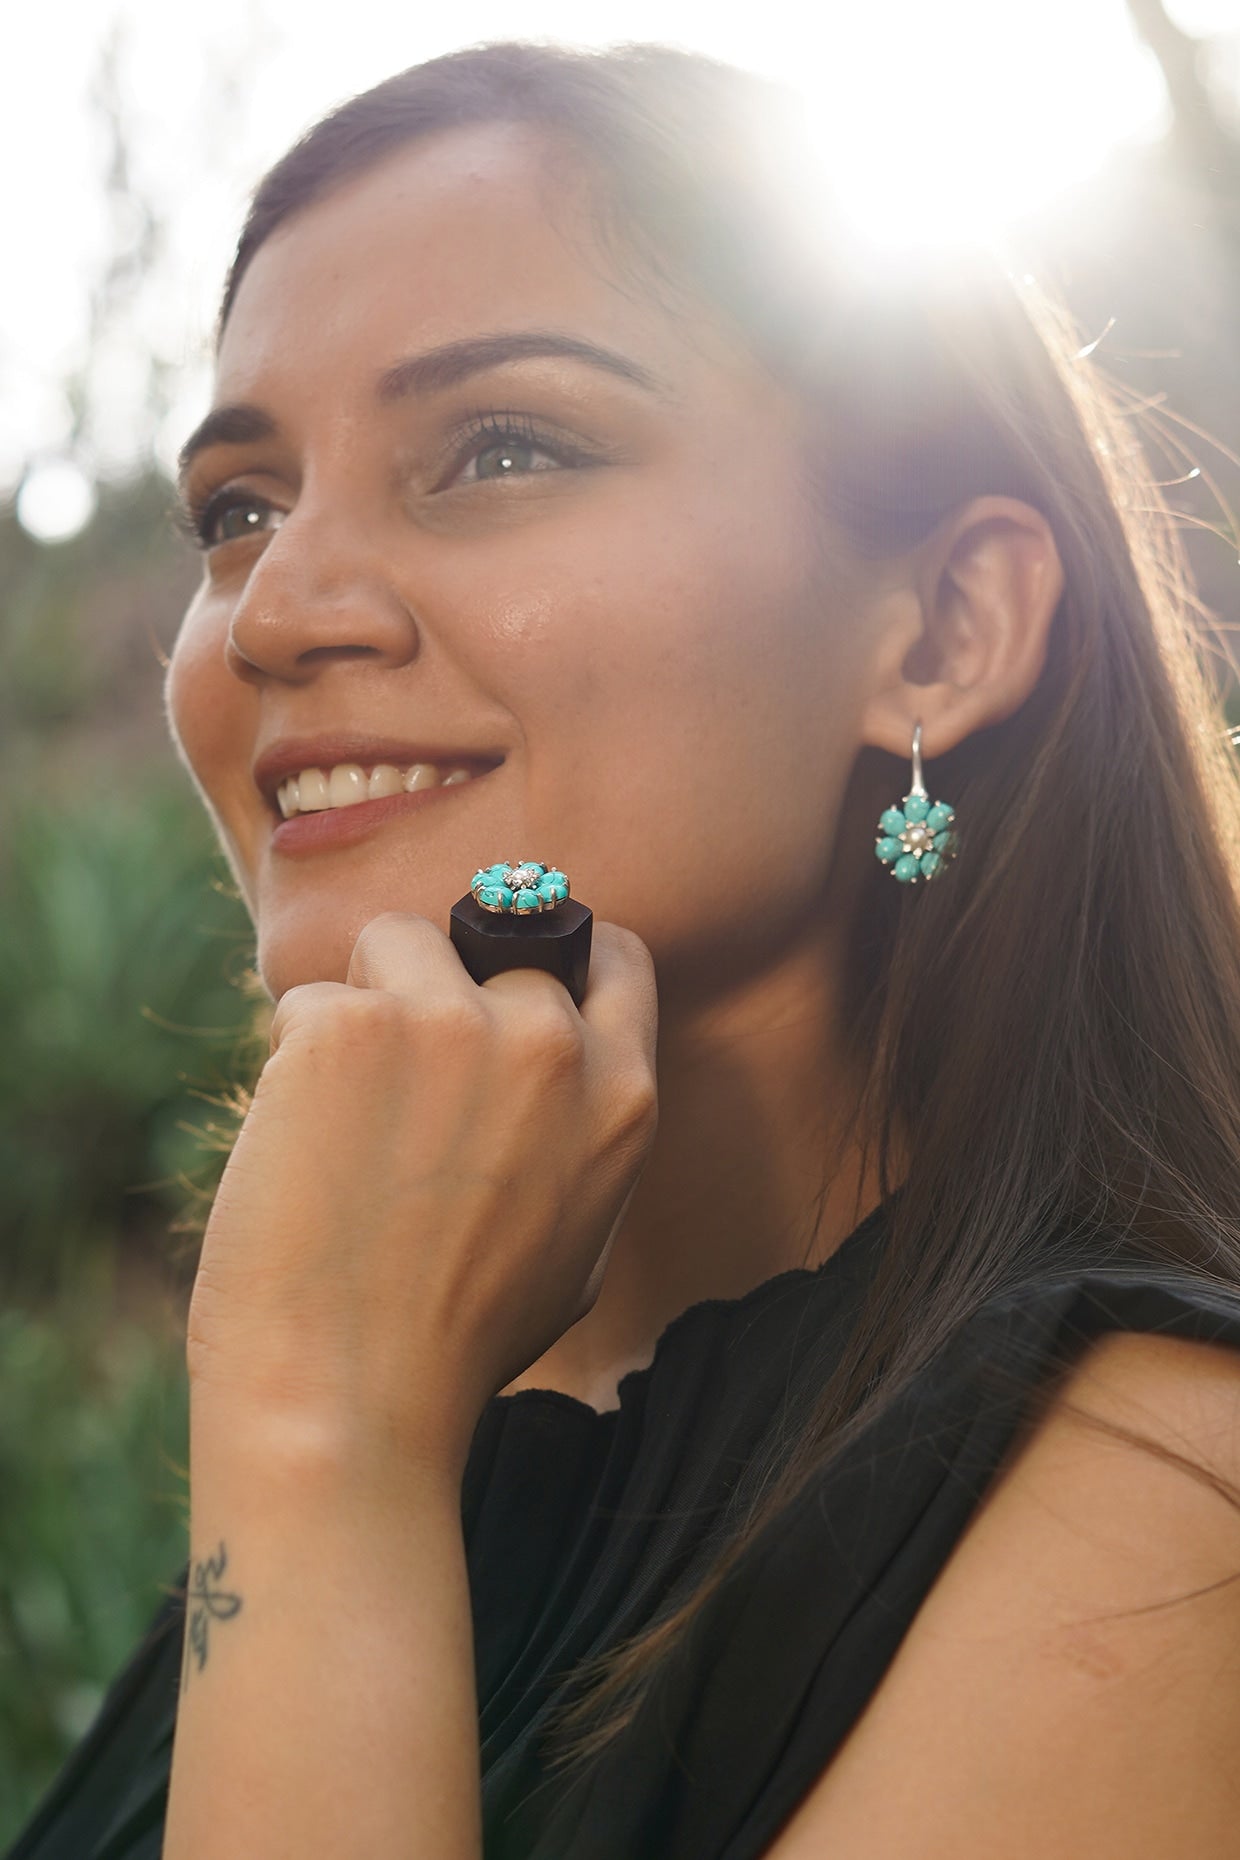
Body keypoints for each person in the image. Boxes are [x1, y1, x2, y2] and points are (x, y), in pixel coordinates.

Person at [11, 36, 1240, 1860]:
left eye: (501, 448)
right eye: (237, 509)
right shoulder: (410, 1453)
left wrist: (320, 1440)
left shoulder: (1170, 1519)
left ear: (946, 628)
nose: (275, 609)